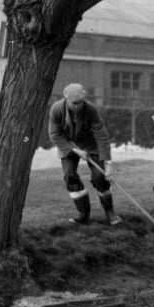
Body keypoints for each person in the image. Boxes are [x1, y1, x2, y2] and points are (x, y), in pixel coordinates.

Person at [47, 83, 121, 225]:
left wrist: (108, 163)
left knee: (100, 177)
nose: (77, 107)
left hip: (91, 145)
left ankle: (110, 212)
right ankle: (83, 214)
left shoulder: (90, 109)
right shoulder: (56, 109)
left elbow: (101, 135)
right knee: (69, 176)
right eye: (74, 103)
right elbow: (55, 135)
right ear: (66, 99)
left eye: (80, 103)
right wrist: (74, 150)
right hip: (67, 145)